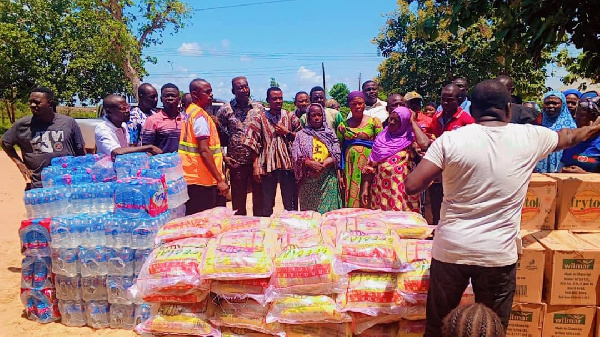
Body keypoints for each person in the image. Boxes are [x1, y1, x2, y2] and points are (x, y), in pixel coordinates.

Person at [405, 79, 600, 336]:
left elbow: (412, 185)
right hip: (497, 253)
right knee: (492, 327)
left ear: (472, 109)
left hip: (451, 248)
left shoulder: (450, 140)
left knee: (438, 326)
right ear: (508, 108)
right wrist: (595, 127)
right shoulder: (531, 136)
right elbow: (569, 136)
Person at [1, 87, 86, 189]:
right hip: (39, 185)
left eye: (37, 102)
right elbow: (5, 143)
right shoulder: (22, 125)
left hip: (67, 183)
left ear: (50, 103)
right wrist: (20, 164)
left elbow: (80, 151)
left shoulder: (68, 123)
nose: (32, 105)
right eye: (31, 102)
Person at [243, 87, 301, 216]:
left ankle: (290, 231)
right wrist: (255, 165)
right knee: (267, 204)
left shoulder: (290, 117)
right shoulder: (259, 119)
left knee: (290, 202)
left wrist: (287, 132)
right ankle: (267, 232)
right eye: (274, 99)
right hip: (267, 166)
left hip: (288, 165)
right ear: (268, 100)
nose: (278, 101)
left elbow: (303, 137)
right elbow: (252, 142)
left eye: (280, 98)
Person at [360, 106, 430, 211]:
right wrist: (365, 189)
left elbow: (424, 144)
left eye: (397, 120)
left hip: (403, 194)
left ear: (405, 123)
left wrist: (412, 122)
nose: (391, 122)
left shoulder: (410, 139)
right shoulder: (381, 138)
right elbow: (370, 166)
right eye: (390, 119)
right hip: (381, 192)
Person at [216, 76, 265, 216]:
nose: (244, 90)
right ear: (233, 90)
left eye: (246, 86)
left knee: (259, 200)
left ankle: (258, 230)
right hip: (236, 164)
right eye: (240, 88)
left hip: (257, 162)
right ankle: (240, 232)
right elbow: (217, 136)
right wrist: (224, 157)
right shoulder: (225, 110)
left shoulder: (258, 108)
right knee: (238, 202)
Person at [179, 79, 229, 215]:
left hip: (192, 177)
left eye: (211, 91)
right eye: (207, 92)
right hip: (203, 180)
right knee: (207, 222)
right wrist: (219, 180)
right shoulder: (200, 117)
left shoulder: (189, 112)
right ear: (195, 95)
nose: (211, 95)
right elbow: (204, 150)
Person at [430, 84, 474, 225]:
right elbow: (430, 134)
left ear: (459, 100)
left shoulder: (466, 120)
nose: (445, 103)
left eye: (449, 100)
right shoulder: (437, 118)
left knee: (454, 204)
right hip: (437, 169)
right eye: (443, 99)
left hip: (457, 170)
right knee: (436, 202)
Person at [292, 103, 343, 213]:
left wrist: (323, 166)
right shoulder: (301, 134)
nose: (316, 118)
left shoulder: (330, 134)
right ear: (308, 117)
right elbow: (296, 154)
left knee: (329, 213)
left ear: (323, 116)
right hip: (308, 179)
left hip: (327, 179)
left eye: (319, 115)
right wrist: (308, 163)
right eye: (313, 115)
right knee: (310, 214)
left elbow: (336, 154)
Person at [337, 91, 383, 208]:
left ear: (364, 104)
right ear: (349, 106)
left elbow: (380, 144)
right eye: (354, 104)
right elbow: (338, 148)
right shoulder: (343, 126)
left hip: (368, 164)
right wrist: (339, 172)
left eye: (360, 103)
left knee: (368, 193)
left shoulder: (374, 122)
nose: (357, 107)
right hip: (350, 166)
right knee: (351, 192)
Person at [95, 94, 162, 158]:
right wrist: (149, 148)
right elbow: (116, 152)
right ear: (109, 112)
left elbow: (128, 149)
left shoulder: (123, 126)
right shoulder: (102, 128)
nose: (127, 111)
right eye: (122, 108)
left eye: (127, 107)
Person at [535, 91, 577, 173]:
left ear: (563, 105)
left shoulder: (571, 127)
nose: (550, 106)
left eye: (554, 103)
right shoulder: (538, 123)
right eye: (547, 103)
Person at [141, 83, 184, 153]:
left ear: (179, 99)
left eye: (173, 96)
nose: (170, 98)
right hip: (161, 162)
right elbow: (147, 148)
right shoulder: (152, 120)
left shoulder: (186, 120)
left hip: (183, 163)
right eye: (166, 96)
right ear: (161, 99)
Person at [561, 97, 600, 173]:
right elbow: (563, 164)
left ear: (595, 119)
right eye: (576, 114)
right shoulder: (573, 140)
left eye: (582, 115)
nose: (576, 118)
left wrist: (585, 174)